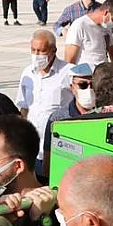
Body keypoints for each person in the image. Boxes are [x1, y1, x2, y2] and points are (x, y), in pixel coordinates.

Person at [16, 29, 73, 164]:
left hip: (57, 146)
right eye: (33, 50)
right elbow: (23, 107)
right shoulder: (27, 73)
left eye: (41, 51)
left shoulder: (68, 72)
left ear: (53, 50)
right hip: (32, 147)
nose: (36, 55)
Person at [40, 63, 95, 176]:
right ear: (72, 88)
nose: (88, 89)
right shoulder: (58, 119)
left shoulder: (105, 114)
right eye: (83, 85)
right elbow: (48, 163)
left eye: (92, 85)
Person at [64, 0, 113, 68]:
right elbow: (69, 61)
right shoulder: (79, 25)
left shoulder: (106, 27)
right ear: (106, 13)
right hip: (86, 76)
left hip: (103, 74)